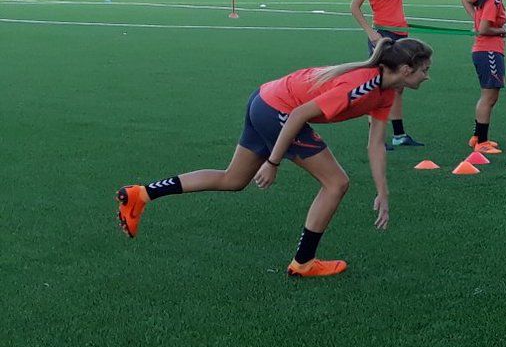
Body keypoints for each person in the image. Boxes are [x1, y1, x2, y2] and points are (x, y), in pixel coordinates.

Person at [115, 37, 434, 278]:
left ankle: (141, 194)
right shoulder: (361, 86)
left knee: (233, 179)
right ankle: (304, 263)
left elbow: (375, 144)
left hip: (265, 100)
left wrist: (383, 192)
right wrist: (273, 162)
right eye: (424, 70)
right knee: (336, 183)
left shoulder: (387, 91)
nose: (426, 77)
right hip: (278, 111)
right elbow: (298, 114)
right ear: (405, 69)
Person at [349, 0, 433, 148]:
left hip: (401, 36)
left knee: (398, 87)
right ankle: (375, 139)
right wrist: (370, 32)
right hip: (384, 36)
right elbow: (354, 7)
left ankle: (399, 135)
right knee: (380, 86)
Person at [465, 0, 506, 153]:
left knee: (490, 96)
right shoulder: (493, 0)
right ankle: (481, 142)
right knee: (489, 96)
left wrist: (475, 19)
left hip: (486, 51)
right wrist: (500, 30)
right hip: (489, 52)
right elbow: (484, 29)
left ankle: (477, 137)